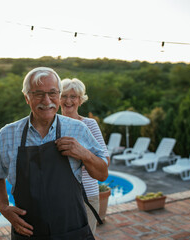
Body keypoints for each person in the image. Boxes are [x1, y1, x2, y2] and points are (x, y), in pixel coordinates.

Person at [0, 67, 108, 239]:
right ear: (26, 97)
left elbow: (102, 174)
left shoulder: (78, 129)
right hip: (28, 233)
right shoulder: (7, 134)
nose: (47, 100)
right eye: (38, 94)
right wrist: (3, 207)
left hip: (73, 231)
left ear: (58, 95)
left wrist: (85, 154)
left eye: (52, 93)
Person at [60, 78, 110, 234]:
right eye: (64, 96)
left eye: (73, 96)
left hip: (87, 194)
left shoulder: (90, 124)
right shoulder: (52, 125)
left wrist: (82, 154)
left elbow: (105, 161)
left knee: (85, 236)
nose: (68, 100)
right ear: (58, 99)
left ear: (80, 100)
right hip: (59, 195)